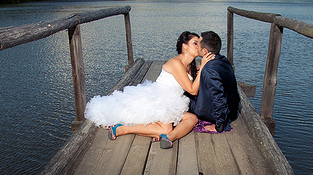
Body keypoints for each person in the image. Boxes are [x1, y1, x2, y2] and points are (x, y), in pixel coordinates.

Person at [83, 31, 214, 149]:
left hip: (173, 101)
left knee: (192, 119)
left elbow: (196, 78)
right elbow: (192, 90)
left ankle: (168, 137)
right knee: (167, 128)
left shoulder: (190, 65)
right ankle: (121, 129)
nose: (199, 46)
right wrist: (202, 67)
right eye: (195, 43)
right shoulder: (176, 63)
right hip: (158, 98)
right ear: (185, 46)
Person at [188, 31, 240, 133]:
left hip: (219, 115)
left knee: (182, 98)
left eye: (198, 45)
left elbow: (219, 98)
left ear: (205, 52)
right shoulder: (222, 60)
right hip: (232, 109)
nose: (196, 47)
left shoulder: (209, 71)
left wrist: (219, 125)